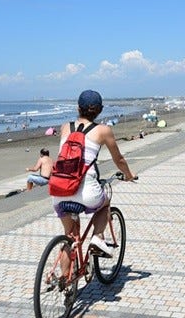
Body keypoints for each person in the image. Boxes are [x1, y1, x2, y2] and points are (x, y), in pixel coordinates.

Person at [52, 89, 136, 258]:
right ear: (100, 110)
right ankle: (98, 238)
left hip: (59, 190)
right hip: (86, 191)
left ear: (78, 108)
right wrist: (129, 175)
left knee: (70, 235)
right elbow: (119, 159)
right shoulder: (103, 131)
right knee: (104, 203)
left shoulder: (65, 127)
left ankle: (62, 280)